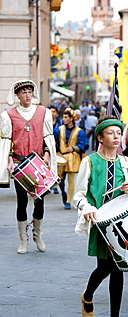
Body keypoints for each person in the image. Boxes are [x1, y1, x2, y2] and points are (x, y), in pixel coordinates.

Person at [73, 115, 128, 317]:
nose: (116, 137)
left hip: (122, 225)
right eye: (111, 133)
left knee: (118, 267)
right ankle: (88, 295)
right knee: (105, 267)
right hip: (100, 223)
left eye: (118, 133)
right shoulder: (89, 162)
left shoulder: (127, 163)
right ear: (100, 137)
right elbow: (79, 195)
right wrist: (87, 207)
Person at [0, 79, 57, 254]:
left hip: (38, 163)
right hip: (19, 164)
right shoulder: (8, 115)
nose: (27, 95)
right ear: (17, 95)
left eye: (29, 91)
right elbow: (7, 141)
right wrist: (9, 159)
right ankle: (22, 240)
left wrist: (47, 154)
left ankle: (37, 235)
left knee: (39, 201)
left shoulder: (43, 112)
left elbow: (47, 136)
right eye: (23, 92)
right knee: (22, 202)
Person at [54, 108, 88, 210]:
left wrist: (74, 148)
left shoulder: (79, 132)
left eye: (66, 117)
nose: (63, 119)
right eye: (63, 117)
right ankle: (64, 194)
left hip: (73, 157)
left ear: (71, 118)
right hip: (61, 157)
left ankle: (68, 200)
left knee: (71, 179)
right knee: (60, 179)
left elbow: (84, 145)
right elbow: (53, 141)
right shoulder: (58, 130)